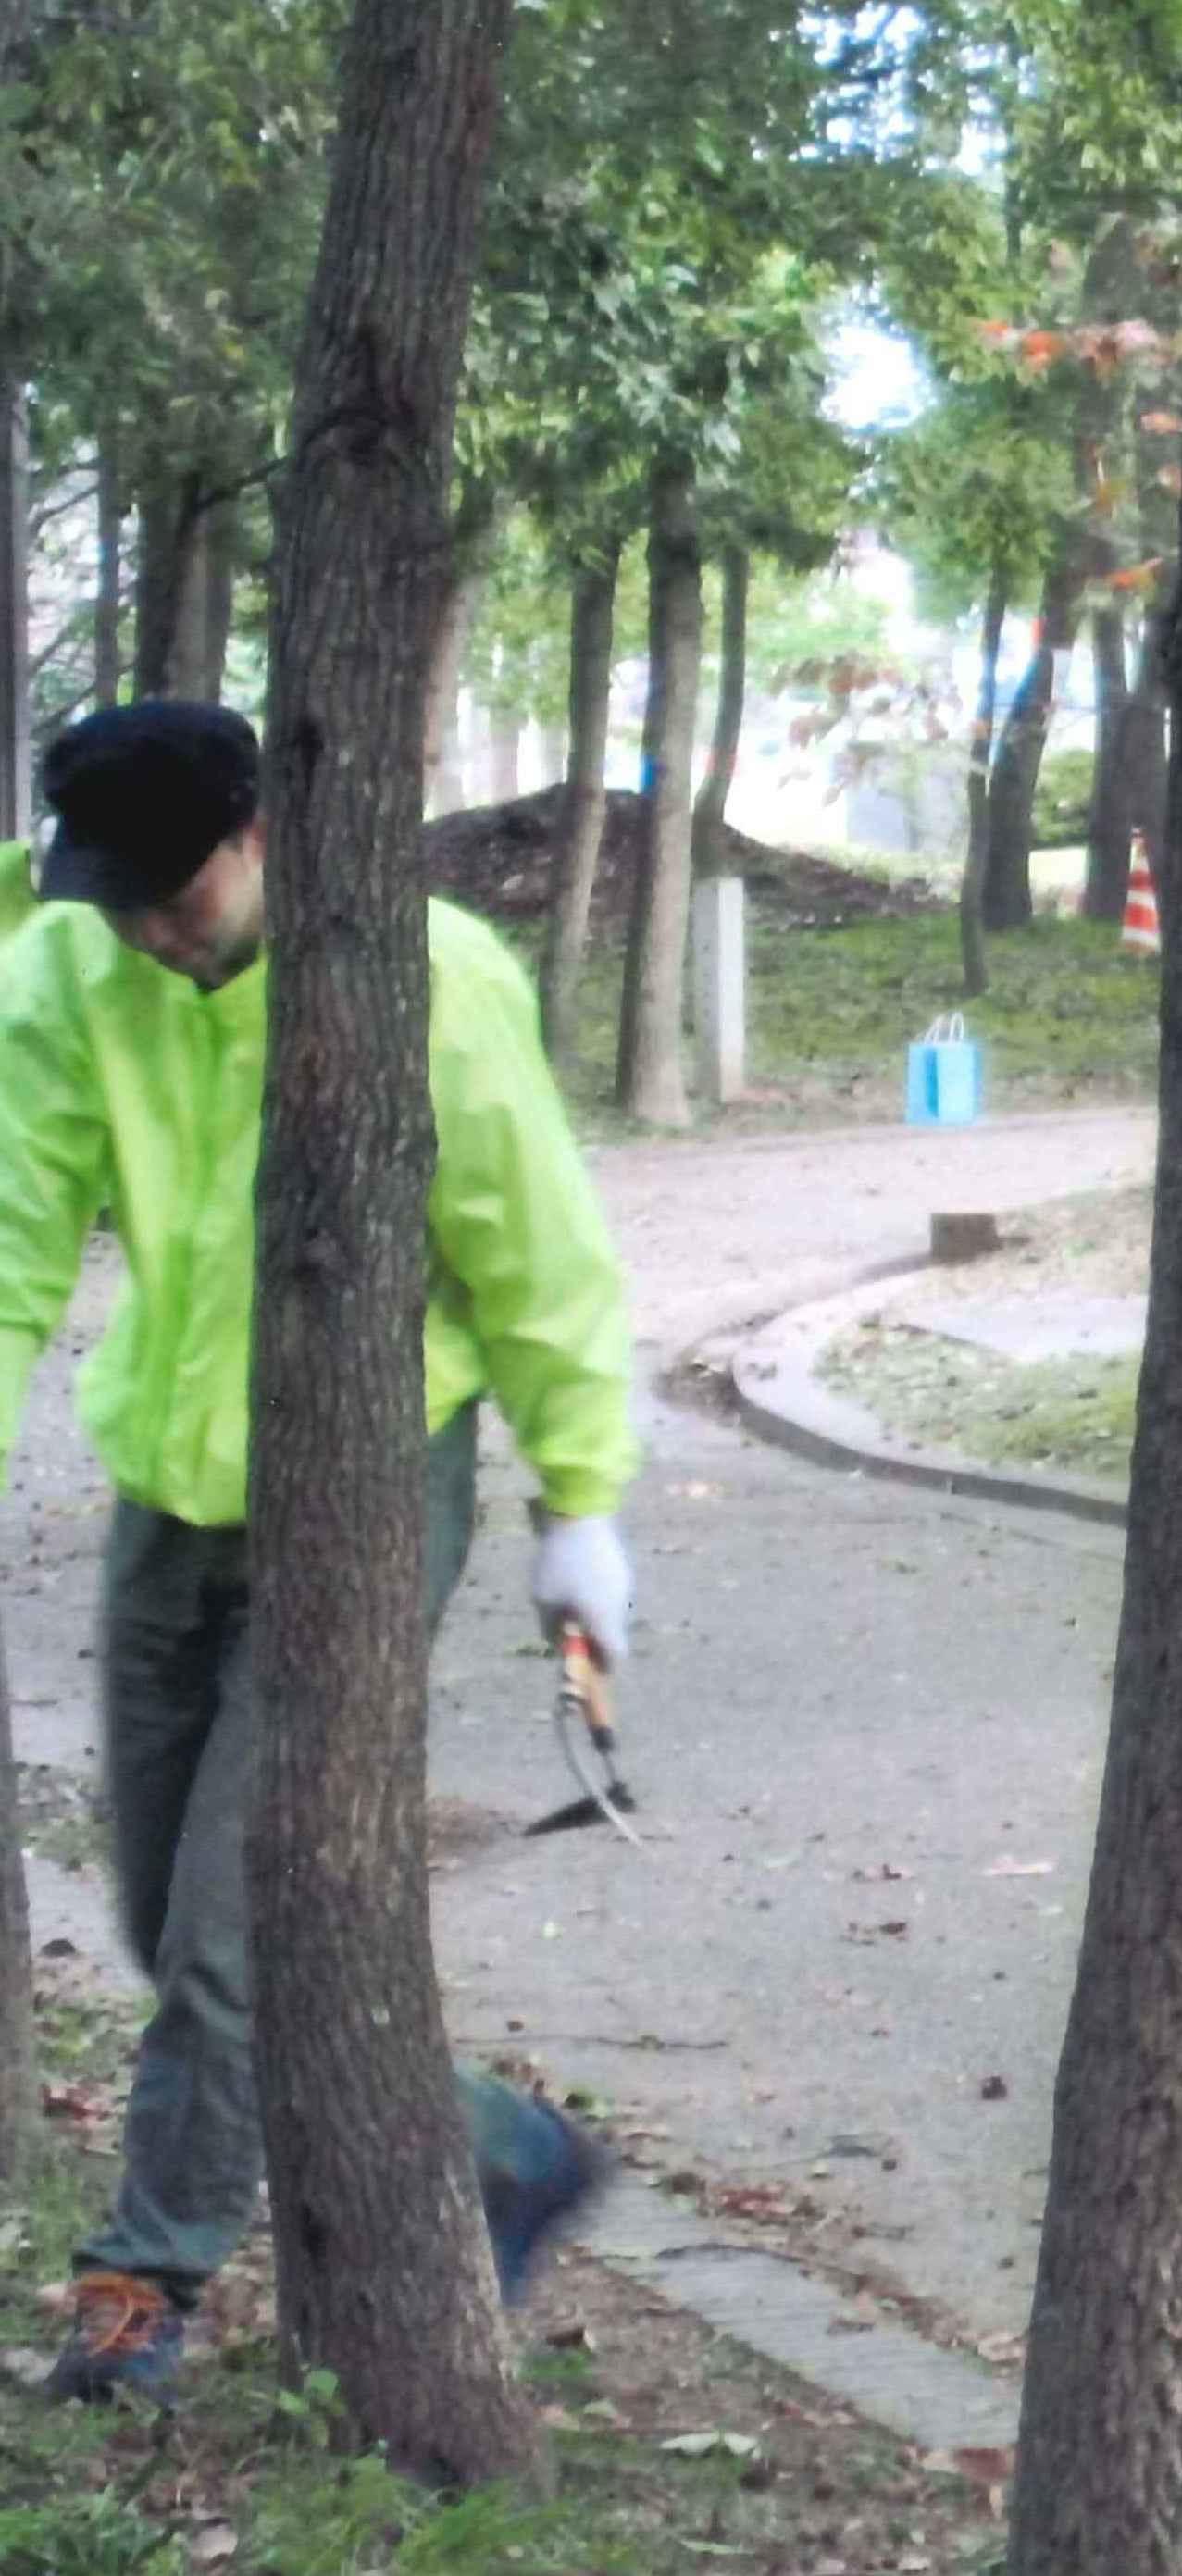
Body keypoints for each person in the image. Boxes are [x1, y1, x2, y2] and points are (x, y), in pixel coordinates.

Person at [0, 703, 641, 2402]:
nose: (146, 922)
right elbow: (6, 1230)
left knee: (224, 1944)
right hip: (166, 1489)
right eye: (114, 891)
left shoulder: (424, 977)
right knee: (173, 1919)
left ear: (264, 833)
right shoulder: (71, 970)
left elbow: (540, 1254)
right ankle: (504, 2148)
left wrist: (578, 1497)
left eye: (174, 891)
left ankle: (139, 2304)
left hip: (357, 1500)